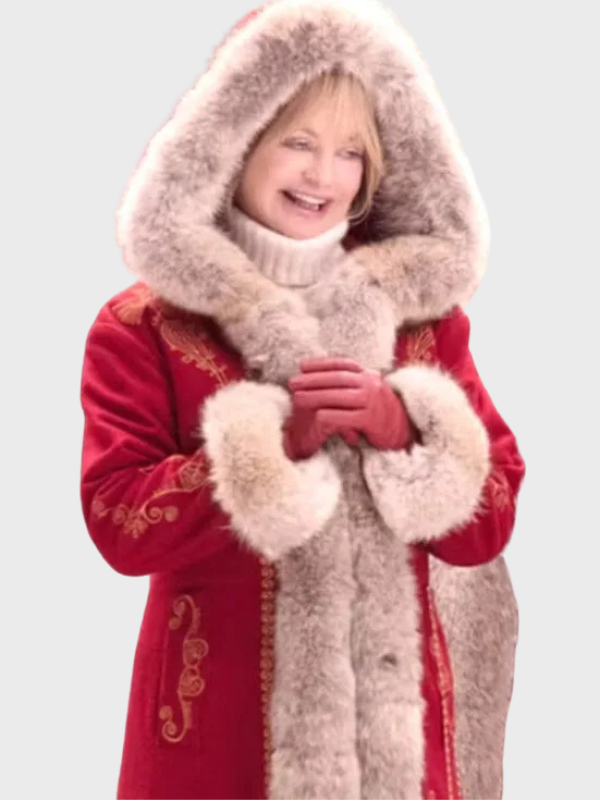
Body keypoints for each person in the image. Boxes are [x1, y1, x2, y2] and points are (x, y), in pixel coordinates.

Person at [80, 1, 526, 798]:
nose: (324, 175)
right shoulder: (145, 327)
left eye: (351, 152)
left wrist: (404, 430)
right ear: (236, 141)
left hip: (396, 749)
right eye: (298, 142)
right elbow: (119, 521)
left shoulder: (423, 321)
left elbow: (490, 520)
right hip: (218, 742)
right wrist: (271, 446)